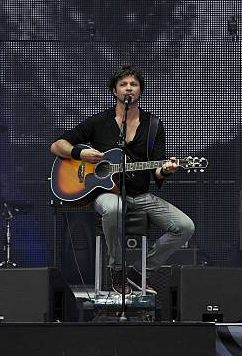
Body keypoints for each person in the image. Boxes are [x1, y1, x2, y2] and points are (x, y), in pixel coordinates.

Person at [50, 65, 195, 295]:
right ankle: (117, 269)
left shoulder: (153, 125)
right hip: (106, 193)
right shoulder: (99, 122)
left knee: (185, 227)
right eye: (123, 84)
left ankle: (139, 272)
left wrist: (166, 170)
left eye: (134, 84)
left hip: (140, 194)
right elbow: (57, 146)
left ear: (140, 91)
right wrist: (81, 153)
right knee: (114, 207)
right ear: (115, 91)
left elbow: (156, 168)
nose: (129, 88)